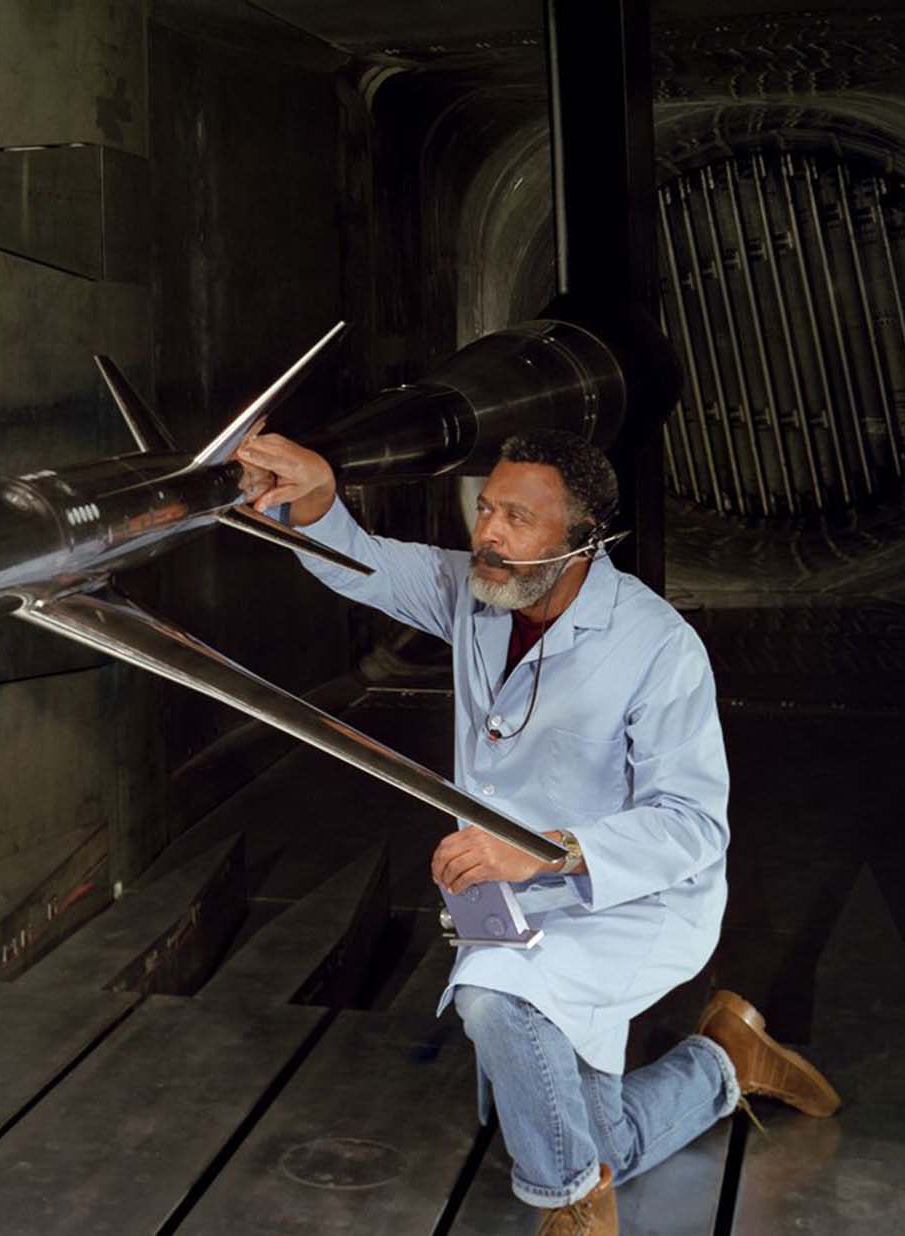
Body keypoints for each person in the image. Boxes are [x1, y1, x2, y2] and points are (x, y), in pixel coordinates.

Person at [235, 427, 840, 1236]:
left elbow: (694, 825)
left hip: (631, 904)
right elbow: (363, 562)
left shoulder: (658, 647)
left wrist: (547, 853)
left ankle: (571, 1212)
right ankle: (725, 1060)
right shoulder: (478, 589)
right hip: (507, 896)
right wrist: (312, 496)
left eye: (519, 518)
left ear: (584, 541)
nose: (489, 532)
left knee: (494, 1004)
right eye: (486, 508)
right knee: (588, 1135)